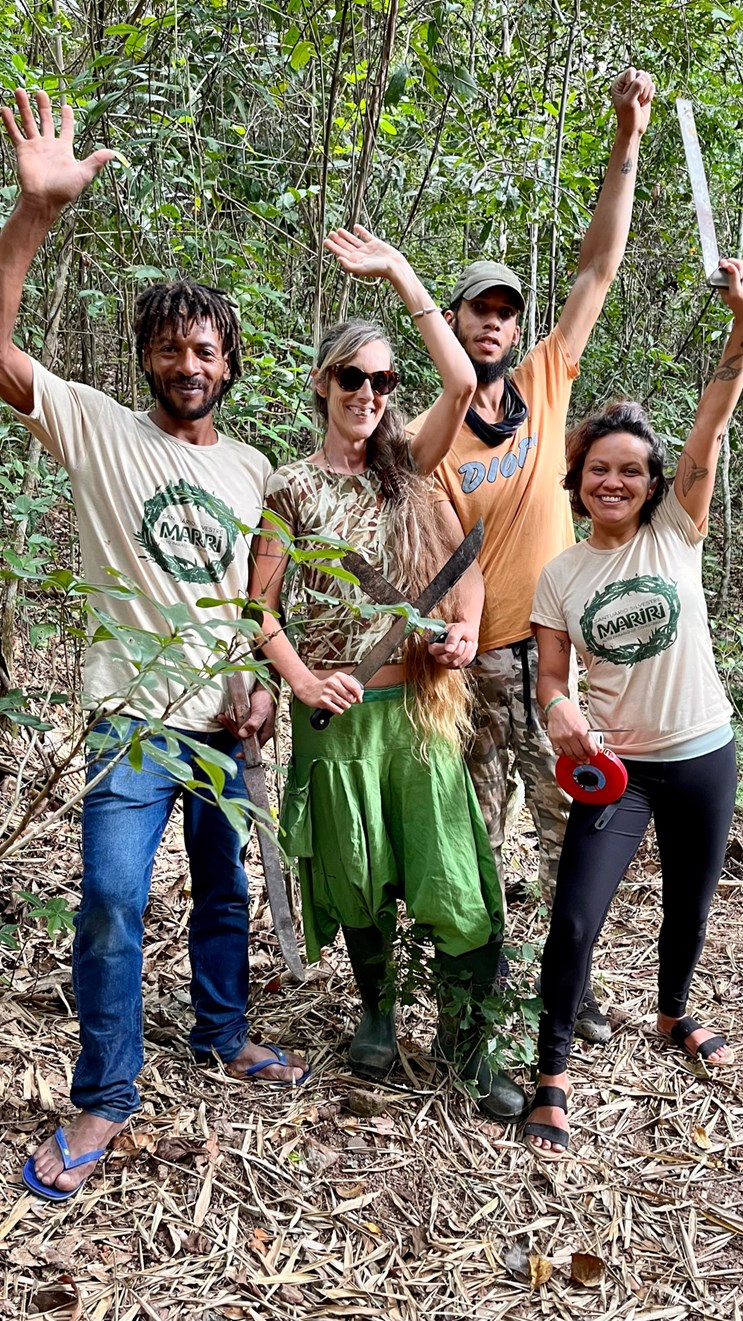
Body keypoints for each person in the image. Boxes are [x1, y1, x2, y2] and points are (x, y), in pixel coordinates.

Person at [0, 90, 308, 1202]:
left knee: (223, 892)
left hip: (219, 721)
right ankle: (104, 1092)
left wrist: (259, 687)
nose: (189, 362)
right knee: (114, 898)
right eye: (172, 346)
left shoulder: (252, 467)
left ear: (230, 364)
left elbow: (250, 599)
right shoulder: (93, 424)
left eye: (207, 348)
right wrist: (34, 215)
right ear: (145, 355)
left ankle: (220, 1036)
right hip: (129, 714)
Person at [249, 223, 528, 1123]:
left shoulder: (409, 469)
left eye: (381, 381)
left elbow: (461, 381)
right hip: (338, 716)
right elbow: (262, 610)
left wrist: (403, 274)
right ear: (324, 384)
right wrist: (295, 675)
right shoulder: (289, 486)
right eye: (353, 379)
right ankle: (375, 1012)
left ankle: (465, 1039)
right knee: (357, 877)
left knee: (455, 879)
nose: (368, 394)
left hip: (416, 712)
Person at [407, 67, 656, 1043]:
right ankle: (468, 1008)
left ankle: (569, 991)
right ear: (454, 325)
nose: (493, 323)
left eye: (505, 311)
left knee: (574, 836)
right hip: (474, 668)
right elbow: (428, 557)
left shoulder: (549, 376)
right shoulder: (432, 434)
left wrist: (624, 135)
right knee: (468, 836)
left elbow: (597, 266)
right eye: (477, 311)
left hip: (555, 662)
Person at [524, 257, 743, 1159]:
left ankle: (672, 1011)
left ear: (653, 484)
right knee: (575, 913)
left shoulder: (676, 529)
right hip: (616, 770)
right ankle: (550, 1072)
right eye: (597, 469)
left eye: (629, 471)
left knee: (688, 906)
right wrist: (559, 711)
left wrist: (740, 324)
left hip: (700, 750)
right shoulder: (561, 572)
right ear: (576, 477)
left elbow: (713, 414)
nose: (612, 482)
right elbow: (548, 681)